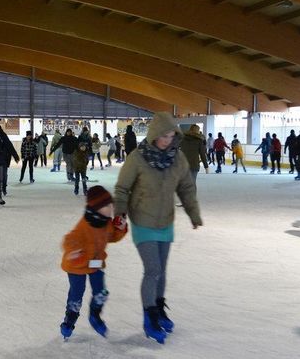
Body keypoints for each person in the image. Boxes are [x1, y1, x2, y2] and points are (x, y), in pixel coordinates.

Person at [114, 112, 202, 344]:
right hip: (143, 221)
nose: (168, 140)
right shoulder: (137, 157)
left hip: (166, 222)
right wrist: (120, 213)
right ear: (154, 135)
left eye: (172, 135)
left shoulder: (178, 158)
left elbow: (186, 188)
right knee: (152, 270)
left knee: (162, 270)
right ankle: (149, 317)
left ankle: (159, 308)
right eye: (164, 136)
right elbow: (122, 188)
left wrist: (193, 213)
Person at [59, 186, 128, 339]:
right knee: (77, 295)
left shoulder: (106, 222)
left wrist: (121, 228)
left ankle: (95, 315)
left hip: (95, 264)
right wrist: (73, 251)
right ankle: (70, 319)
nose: (111, 209)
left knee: (101, 292)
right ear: (96, 208)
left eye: (111, 205)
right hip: (77, 265)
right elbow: (69, 240)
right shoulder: (84, 225)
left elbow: (112, 237)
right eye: (106, 206)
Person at [180, 124, 208, 191]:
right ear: (197, 131)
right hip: (194, 165)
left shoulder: (183, 139)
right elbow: (202, 154)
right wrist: (206, 166)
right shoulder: (199, 140)